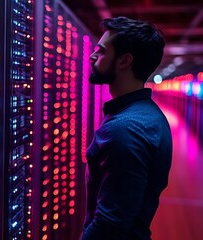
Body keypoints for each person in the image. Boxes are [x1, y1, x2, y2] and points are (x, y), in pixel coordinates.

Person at [81, 16, 173, 240]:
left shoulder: (125, 129)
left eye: (101, 51)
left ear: (124, 61)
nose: (93, 56)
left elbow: (110, 224)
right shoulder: (147, 114)